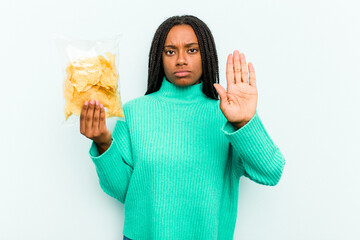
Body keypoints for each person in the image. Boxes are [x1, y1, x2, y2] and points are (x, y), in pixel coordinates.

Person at [80, 15, 285, 240]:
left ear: (206, 54)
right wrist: (102, 143)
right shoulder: (133, 112)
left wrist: (244, 122)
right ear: (159, 58)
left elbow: (271, 172)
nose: (180, 60)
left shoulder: (228, 113)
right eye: (170, 51)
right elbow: (124, 191)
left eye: (192, 50)